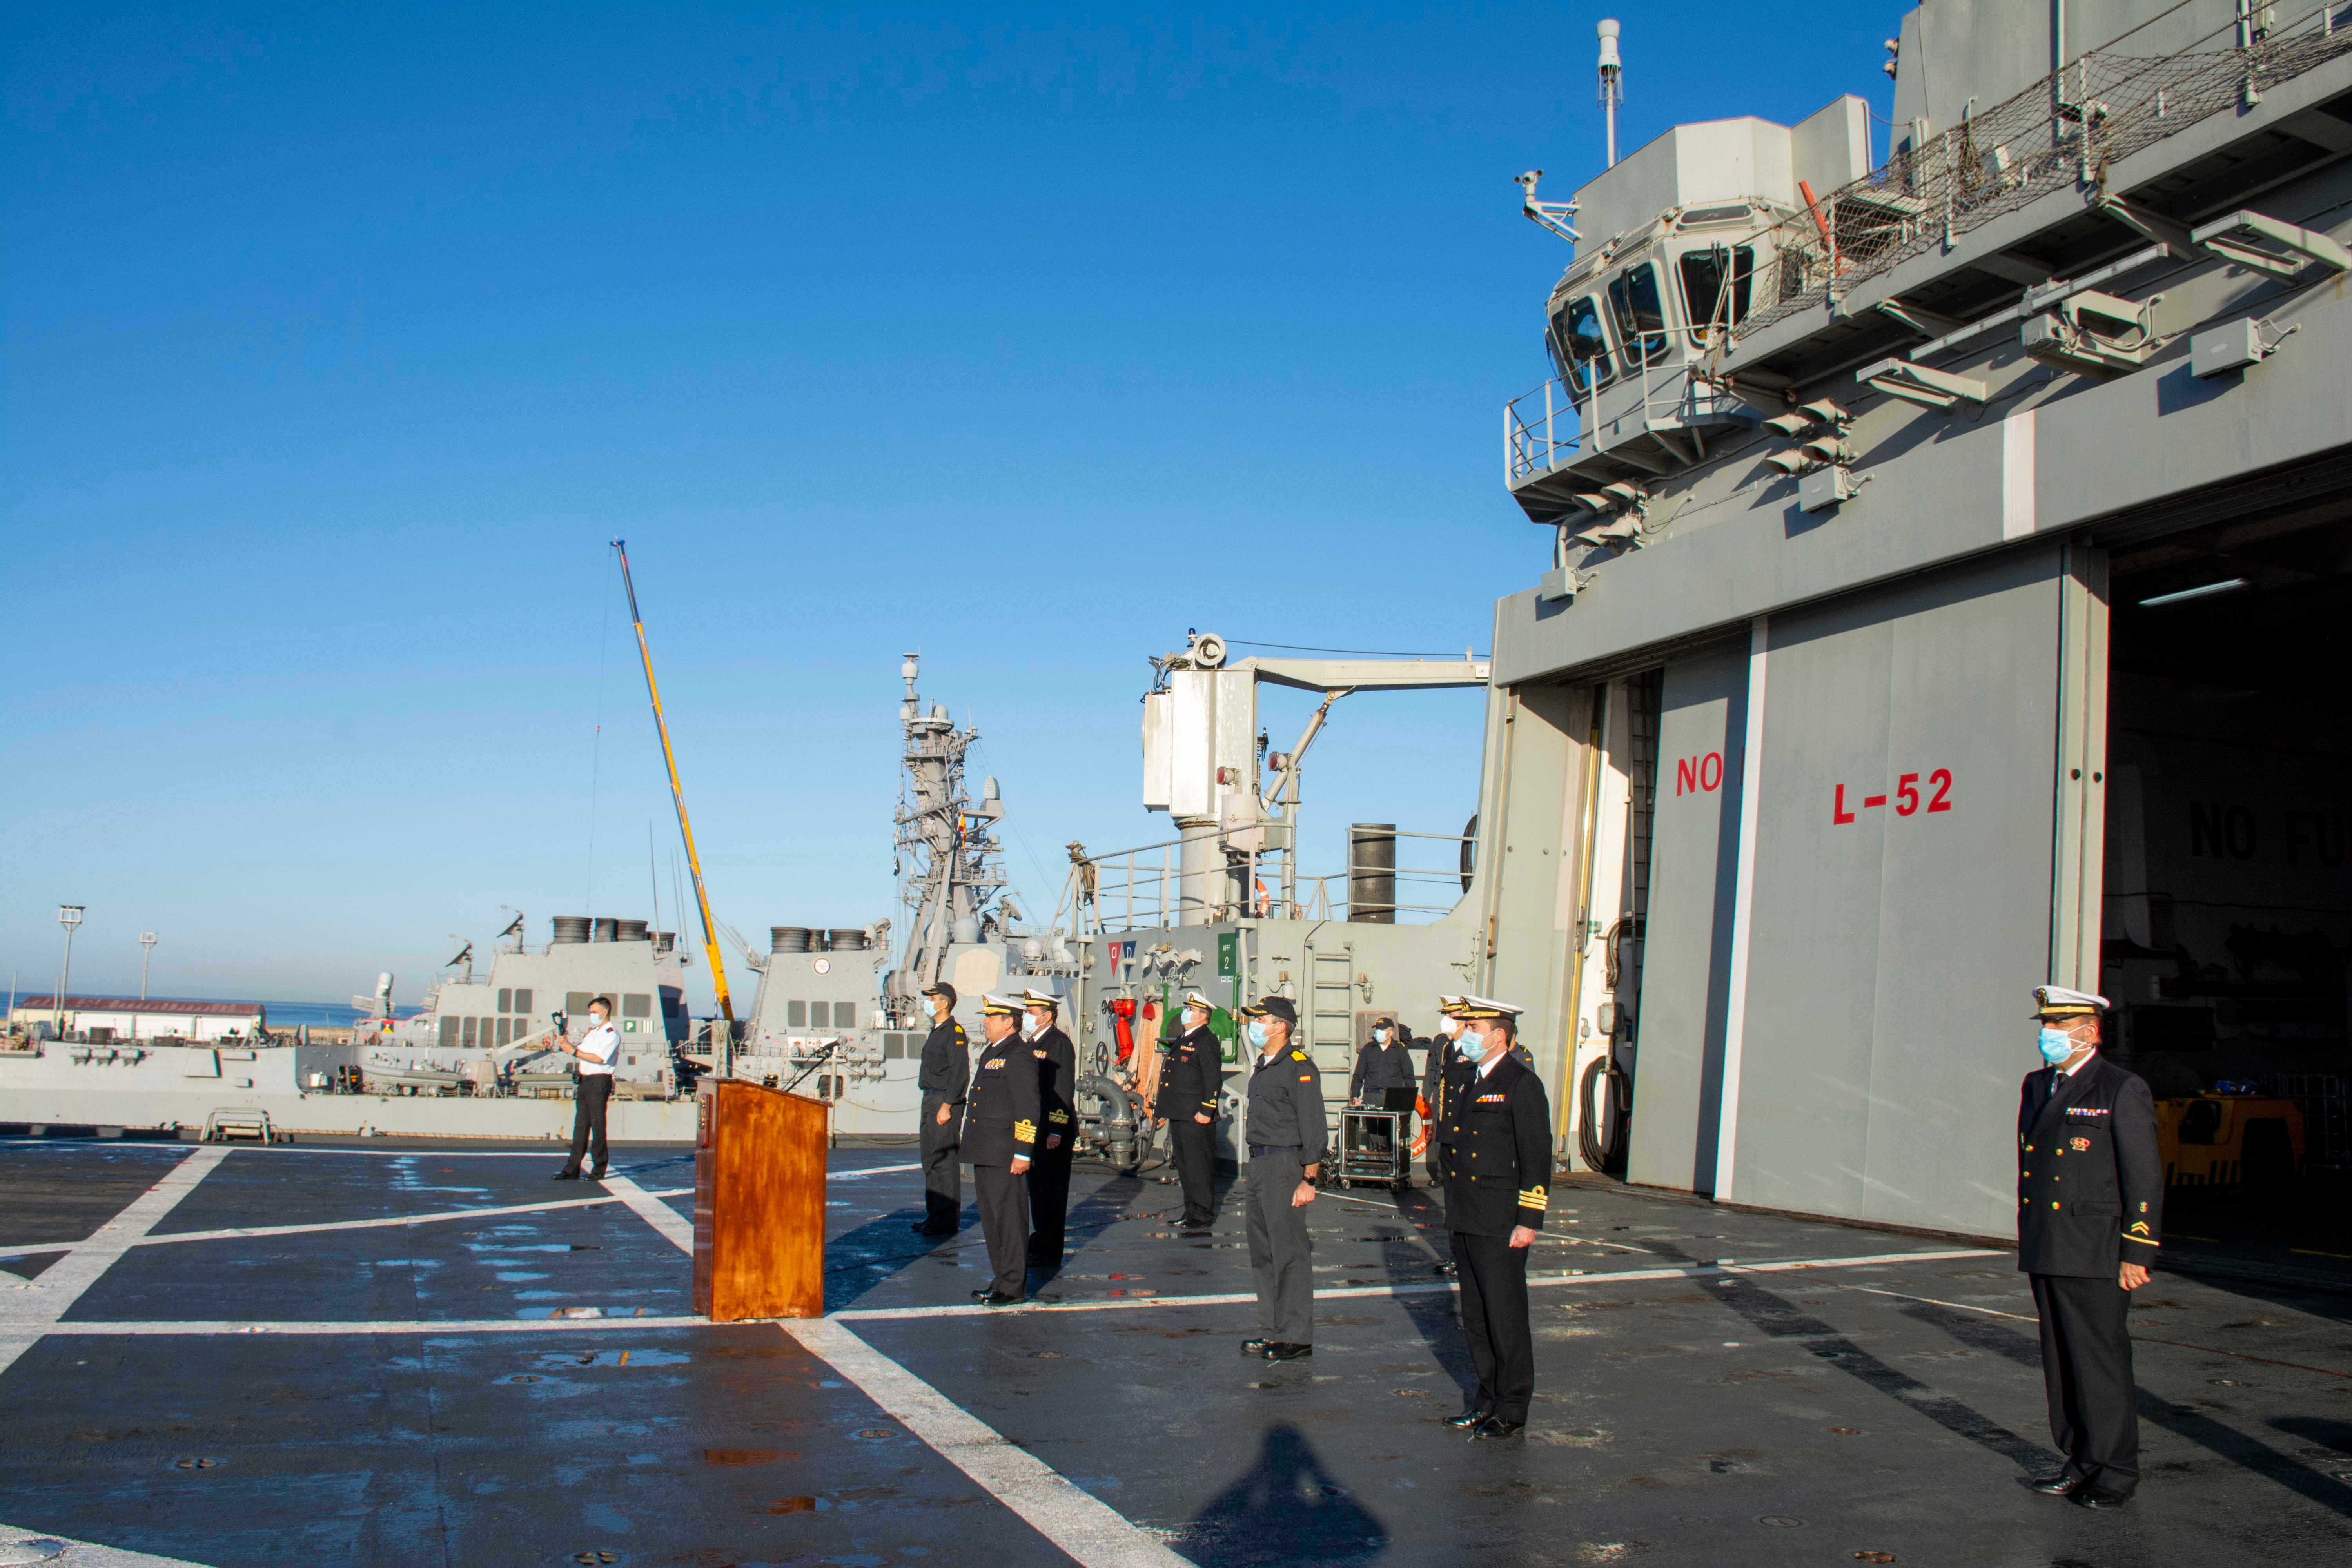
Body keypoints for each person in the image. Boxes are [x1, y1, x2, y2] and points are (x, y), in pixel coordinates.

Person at [2018, 984, 2162, 1508]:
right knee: (2062, 1362)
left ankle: (2116, 1472)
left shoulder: (2120, 1089)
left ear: (2090, 1033)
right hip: (2049, 1245)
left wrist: (2138, 1252)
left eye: (2057, 1027)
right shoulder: (2037, 1086)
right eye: (2045, 1026)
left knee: (2100, 1364)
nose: (2047, 1034)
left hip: (2097, 1249)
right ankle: (2078, 1462)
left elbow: (2143, 1177)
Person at [1435, 996, 1550, 1441]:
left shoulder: (1521, 1084)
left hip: (1501, 1221)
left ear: (1499, 1034)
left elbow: (1536, 1159)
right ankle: (1485, 1400)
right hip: (1466, 1216)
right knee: (1477, 1318)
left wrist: (1529, 1220)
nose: (1465, 1033)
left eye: (1474, 1026)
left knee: (1505, 1317)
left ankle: (1514, 1406)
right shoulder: (1466, 1078)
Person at [1239, 996, 1325, 1362]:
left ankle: (1296, 1335)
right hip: (1259, 1164)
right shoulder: (1264, 1065)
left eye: (1260, 1019)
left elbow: (1313, 1123)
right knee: (1264, 1253)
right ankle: (1272, 1329)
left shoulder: (1298, 1066)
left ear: (1280, 1026)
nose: (1253, 1026)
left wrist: (1310, 1176)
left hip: (1286, 1165)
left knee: (1289, 1251)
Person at [964, 995, 1040, 1305]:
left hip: (1006, 1153)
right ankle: (1001, 1279)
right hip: (986, 1150)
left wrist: (1023, 1152)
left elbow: (1028, 1107)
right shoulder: (992, 1052)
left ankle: (1013, 1286)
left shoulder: (1019, 1055)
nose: (985, 1023)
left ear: (1008, 1023)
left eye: (991, 1018)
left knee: (1009, 1220)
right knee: (993, 1220)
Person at [1022, 988, 1079, 1267]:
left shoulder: (1058, 1043)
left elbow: (1062, 1088)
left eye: (1030, 1013)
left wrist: (1057, 1130)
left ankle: (1050, 1250)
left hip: (1052, 1133)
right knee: (1037, 1190)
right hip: (1035, 1130)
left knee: (1052, 1194)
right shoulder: (1031, 1044)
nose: (1026, 1017)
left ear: (1046, 1016)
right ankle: (1040, 1240)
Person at [1158, 990, 1223, 1227]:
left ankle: (1203, 1214)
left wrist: (1207, 1110)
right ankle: (1191, 1211)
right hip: (1180, 1112)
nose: (1185, 1013)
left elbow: (1213, 1078)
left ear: (1202, 1016)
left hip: (1196, 1115)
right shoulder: (1184, 1038)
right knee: (1185, 1166)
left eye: (1190, 1010)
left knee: (1199, 1166)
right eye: (1186, 1008)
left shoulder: (1206, 1040)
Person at [911, 981, 969, 1237]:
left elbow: (960, 1073)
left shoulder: (953, 1032)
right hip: (930, 1098)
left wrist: (948, 1105)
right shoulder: (937, 1031)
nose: (928, 1003)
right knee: (930, 1158)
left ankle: (946, 1220)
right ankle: (934, 1215)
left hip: (944, 1100)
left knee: (944, 1160)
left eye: (932, 998)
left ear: (944, 1003)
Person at [551, 996, 619, 1181]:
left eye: (594, 1012)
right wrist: (567, 1045)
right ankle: (572, 1169)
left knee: (598, 1125)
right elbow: (581, 1051)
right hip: (585, 1081)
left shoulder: (611, 1034)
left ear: (605, 1012)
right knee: (580, 1126)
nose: (592, 1015)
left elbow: (598, 1059)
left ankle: (599, 1169)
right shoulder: (594, 1033)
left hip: (599, 1082)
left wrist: (573, 1051)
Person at [1350, 1014, 1417, 1192]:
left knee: (1392, 1135)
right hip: (1372, 1096)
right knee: (1374, 1135)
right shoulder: (1368, 1049)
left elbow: (1409, 1078)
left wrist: (1407, 1100)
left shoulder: (1400, 1051)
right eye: (1377, 1030)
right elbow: (1358, 1076)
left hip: (1391, 1098)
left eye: (1381, 1030)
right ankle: (1375, 1173)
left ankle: (1392, 1173)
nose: (1378, 1033)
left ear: (1390, 1033)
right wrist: (1354, 1096)